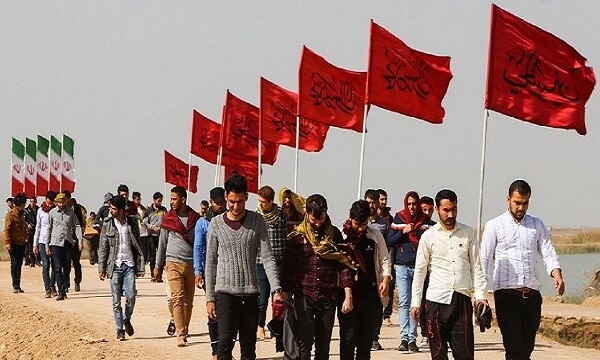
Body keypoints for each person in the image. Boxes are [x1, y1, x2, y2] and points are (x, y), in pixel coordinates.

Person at [480, 180, 564, 360]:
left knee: (526, 350)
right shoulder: (494, 225)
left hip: (532, 297)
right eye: (517, 202)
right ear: (508, 199)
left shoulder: (536, 225)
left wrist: (556, 272)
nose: (521, 207)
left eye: (525, 203)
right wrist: (480, 295)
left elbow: (547, 251)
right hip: (507, 295)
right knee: (514, 349)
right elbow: (484, 260)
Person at [205, 175, 284, 360]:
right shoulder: (216, 224)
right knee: (224, 344)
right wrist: (209, 298)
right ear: (226, 197)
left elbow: (268, 258)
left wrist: (276, 289)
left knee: (248, 349)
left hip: (250, 295)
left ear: (246, 197)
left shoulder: (257, 221)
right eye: (232, 202)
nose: (235, 206)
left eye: (240, 201)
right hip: (224, 294)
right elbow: (210, 262)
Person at [410, 189, 487, 360]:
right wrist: (415, 303)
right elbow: (420, 271)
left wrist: (480, 296)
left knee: (465, 355)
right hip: (436, 302)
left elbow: (477, 268)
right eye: (446, 210)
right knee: (438, 355)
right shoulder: (428, 237)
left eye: (454, 209)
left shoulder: (468, 233)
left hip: (462, 302)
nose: (450, 214)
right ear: (436, 209)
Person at [280, 194, 355, 360]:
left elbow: (343, 265)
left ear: (326, 213)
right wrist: (284, 292)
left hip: (328, 295)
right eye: (313, 219)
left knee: (323, 344)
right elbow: (287, 266)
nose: (317, 223)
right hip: (304, 294)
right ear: (307, 214)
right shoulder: (297, 236)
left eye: (320, 218)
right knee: (305, 342)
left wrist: (348, 295)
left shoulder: (334, 235)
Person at [338, 200, 392, 360]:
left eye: (364, 223)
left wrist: (386, 279)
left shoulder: (374, 235)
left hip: (370, 295)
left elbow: (385, 259)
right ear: (350, 218)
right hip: (347, 295)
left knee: (365, 343)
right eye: (357, 224)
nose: (361, 228)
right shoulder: (342, 235)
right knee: (348, 340)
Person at [154, 186, 200, 347]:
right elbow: (162, 243)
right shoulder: (168, 219)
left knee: (188, 301)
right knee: (177, 297)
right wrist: (158, 265)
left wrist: (200, 266)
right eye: (171, 199)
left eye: (174, 199)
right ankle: (180, 334)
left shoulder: (196, 219)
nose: (172, 202)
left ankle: (185, 328)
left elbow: (200, 243)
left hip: (191, 264)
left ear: (183, 200)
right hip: (173, 262)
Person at [386, 191, 430, 353]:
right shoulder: (399, 219)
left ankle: (413, 338)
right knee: (404, 302)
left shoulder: (424, 221)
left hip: (419, 266)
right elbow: (389, 240)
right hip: (402, 265)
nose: (411, 207)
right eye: (409, 204)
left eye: (414, 204)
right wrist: (402, 232)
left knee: (415, 303)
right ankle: (404, 338)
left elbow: (429, 243)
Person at [98, 195, 145, 341]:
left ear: (120, 210)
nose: (110, 211)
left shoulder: (131, 222)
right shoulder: (107, 224)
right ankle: (119, 329)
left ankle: (126, 319)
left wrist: (139, 265)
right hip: (115, 265)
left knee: (131, 296)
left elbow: (137, 244)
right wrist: (101, 267)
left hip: (129, 265)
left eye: (113, 208)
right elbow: (103, 247)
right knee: (116, 301)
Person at [194, 186, 227, 360]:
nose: (220, 206)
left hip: (229, 273)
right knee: (213, 311)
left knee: (229, 314)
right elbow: (198, 248)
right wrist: (198, 271)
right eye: (217, 203)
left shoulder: (231, 219)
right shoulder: (203, 223)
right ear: (211, 202)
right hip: (210, 272)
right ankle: (215, 351)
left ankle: (224, 350)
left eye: (223, 203)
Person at [256, 185, 288, 350]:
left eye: (263, 202)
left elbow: (285, 235)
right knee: (262, 299)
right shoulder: (255, 217)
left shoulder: (281, 215)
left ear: (271, 202)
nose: (261, 204)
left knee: (279, 300)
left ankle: (278, 333)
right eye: (259, 201)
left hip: (279, 261)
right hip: (261, 262)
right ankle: (260, 325)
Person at [363, 189, 391, 350]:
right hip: (360, 277)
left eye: (374, 202)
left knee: (377, 307)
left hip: (377, 273)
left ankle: (374, 337)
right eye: (368, 202)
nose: (371, 205)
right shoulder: (351, 228)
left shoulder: (381, 227)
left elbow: (385, 254)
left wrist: (386, 277)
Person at [47, 192, 82, 301]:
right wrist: (47, 245)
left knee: (66, 268)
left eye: (63, 202)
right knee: (57, 268)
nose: (61, 204)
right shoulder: (52, 213)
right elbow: (49, 228)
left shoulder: (71, 213)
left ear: (66, 202)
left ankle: (64, 286)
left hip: (67, 243)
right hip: (55, 243)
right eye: (59, 202)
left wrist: (80, 240)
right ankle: (61, 292)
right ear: (56, 202)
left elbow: (77, 226)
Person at [417, 195, 436, 348]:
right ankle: (424, 333)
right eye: (424, 210)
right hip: (417, 269)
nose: (427, 213)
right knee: (420, 303)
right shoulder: (414, 226)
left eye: (430, 210)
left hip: (434, 272)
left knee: (431, 304)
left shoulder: (436, 228)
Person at [33, 191, 57, 298]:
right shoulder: (40, 211)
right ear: (46, 200)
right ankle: (47, 288)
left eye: (52, 203)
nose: (50, 204)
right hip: (42, 240)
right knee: (46, 264)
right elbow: (38, 227)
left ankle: (53, 286)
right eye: (49, 202)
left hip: (54, 241)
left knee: (55, 265)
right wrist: (35, 244)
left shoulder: (57, 211)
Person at [4, 193, 28, 293]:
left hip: (21, 243)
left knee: (19, 264)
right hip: (13, 243)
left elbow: (23, 228)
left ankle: (18, 284)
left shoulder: (22, 214)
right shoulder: (10, 215)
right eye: (23, 204)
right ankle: (15, 285)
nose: (24, 206)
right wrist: (7, 242)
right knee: (14, 264)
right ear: (19, 204)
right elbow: (7, 229)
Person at [145, 192, 166, 281]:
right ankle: (153, 274)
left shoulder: (164, 210)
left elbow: (167, 220)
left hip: (161, 235)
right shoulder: (148, 211)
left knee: (161, 255)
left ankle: (159, 275)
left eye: (161, 201)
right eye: (158, 201)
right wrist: (153, 227)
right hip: (151, 236)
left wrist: (161, 227)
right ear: (154, 200)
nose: (160, 203)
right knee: (152, 256)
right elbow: (145, 222)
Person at [66, 192, 86, 292]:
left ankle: (77, 281)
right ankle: (66, 282)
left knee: (76, 262)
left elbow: (81, 223)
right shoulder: (63, 210)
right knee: (66, 262)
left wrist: (79, 239)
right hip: (67, 240)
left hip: (76, 238)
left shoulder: (78, 208)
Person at [133, 191, 149, 270]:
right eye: (137, 199)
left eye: (139, 199)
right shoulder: (131, 209)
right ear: (133, 199)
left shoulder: (143, 209)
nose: (138, 201)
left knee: (143, 252)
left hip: (143, 233)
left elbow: (147, 218)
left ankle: (141, 268)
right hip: (134, 233)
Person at [24, 196, 39, 267]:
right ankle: (32, 262)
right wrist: (28, 225)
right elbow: (23, 220)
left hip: (38, 230)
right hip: (29, 231)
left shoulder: (39, 210)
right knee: (30, 247)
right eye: (31, 201)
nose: (32, 203)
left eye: (34, 201)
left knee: (38, 245)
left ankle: (38, 260)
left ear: (36, 202)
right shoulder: (26, 210)